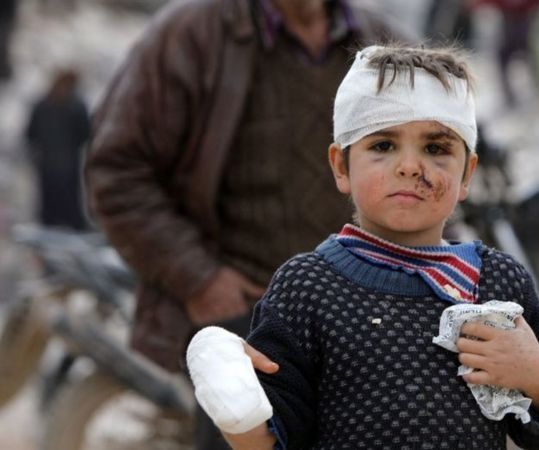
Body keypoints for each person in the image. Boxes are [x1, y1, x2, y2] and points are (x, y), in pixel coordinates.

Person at [186, 44, 539, 450]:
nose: (410, 166)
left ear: (467, 174)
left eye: (436, 148)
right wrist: (233, 399)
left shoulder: (498, 281)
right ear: (341, 166)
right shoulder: (306, 288)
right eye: (383, 146)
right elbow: (274, 438)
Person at [84, 0, 396, 448]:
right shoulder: (192, 35)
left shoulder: (380, 42)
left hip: (366, 322)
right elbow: (117, 173)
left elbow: (426, 177)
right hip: (243, 321)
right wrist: (200, 279)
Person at [26, 69, 91, 230]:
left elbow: (85, 133)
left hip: (60, 162)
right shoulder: (69, 106)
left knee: (63, 200)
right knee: (55, 201)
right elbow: (31, 133)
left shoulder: (72, 106)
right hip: (55, 162)